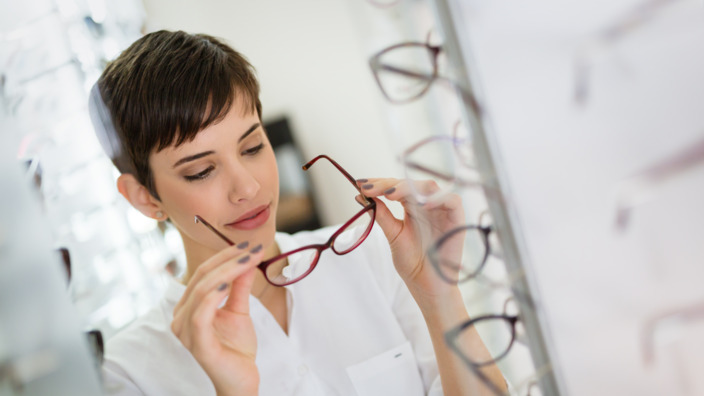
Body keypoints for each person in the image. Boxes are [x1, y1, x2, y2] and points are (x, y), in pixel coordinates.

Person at [89, 30, 507, 396]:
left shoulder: (370, 260)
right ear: (145, 198)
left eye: (252, 147)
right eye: (201, 171)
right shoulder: (131, 374)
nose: (249, 188)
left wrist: (439, 295)